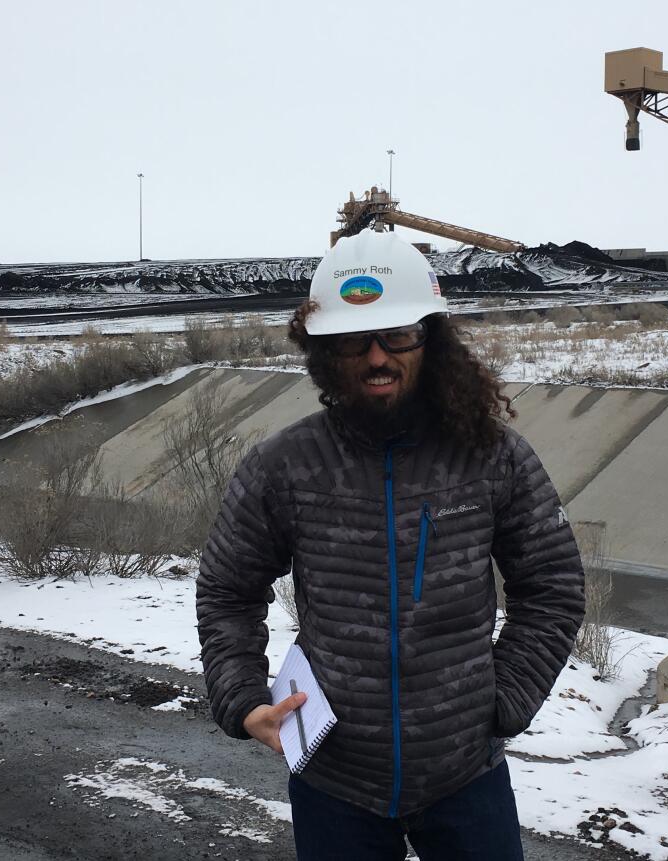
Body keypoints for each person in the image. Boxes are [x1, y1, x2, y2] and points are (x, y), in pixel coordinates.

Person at [196, 230, 585, 860]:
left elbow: (553, 586)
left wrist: (504, 701)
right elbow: (226, 591)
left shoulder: (491, 456)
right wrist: (242, 697)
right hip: (336, 782)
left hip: (466, 778)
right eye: (353, 341)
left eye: (397, 335)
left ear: (430, 339)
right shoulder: (284, 466)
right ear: (325, 352)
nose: (377, 357)